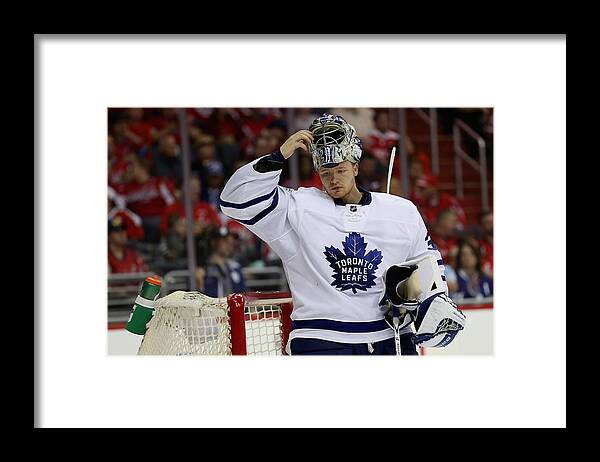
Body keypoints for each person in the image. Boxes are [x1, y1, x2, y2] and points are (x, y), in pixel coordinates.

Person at [219, 113, 465, 355]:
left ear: (356, 167)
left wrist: (435, 302)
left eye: (340, 170)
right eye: (326, 173)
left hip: (392, 336)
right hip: (320, 340)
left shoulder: (401, 211)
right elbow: (235, 201)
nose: (333, 179)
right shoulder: (297, 206)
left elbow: (428, 263)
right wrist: (279, 155)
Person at [203, 226, 247, 298]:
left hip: (233, 307)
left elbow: (243, 292)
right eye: (225, 241)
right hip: (211, 307)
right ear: (213, 242)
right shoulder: (204, 268)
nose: (229, 244)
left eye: (231, 241)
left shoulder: (235, 267)